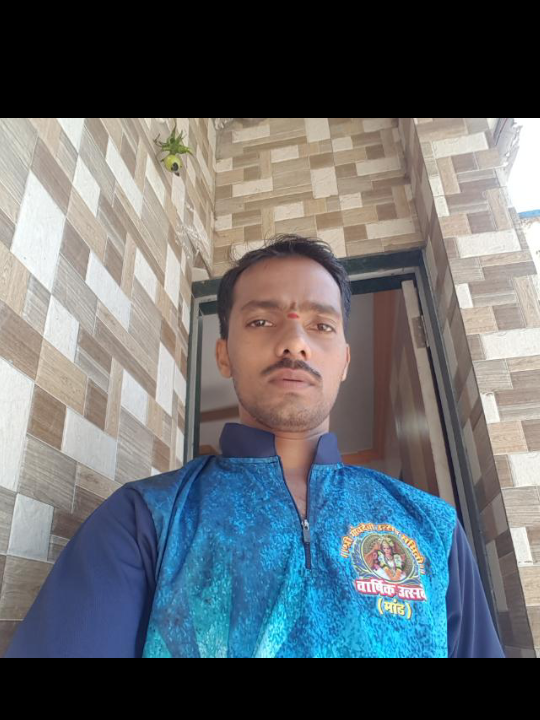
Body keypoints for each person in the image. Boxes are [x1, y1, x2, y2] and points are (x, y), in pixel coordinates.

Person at [3, 233, 505, 658]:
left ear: (346, 362)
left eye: (321, 325)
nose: (295, 342)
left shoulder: (432, 528)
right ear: (223, 355)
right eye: (262, 321)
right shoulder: (145, 518)